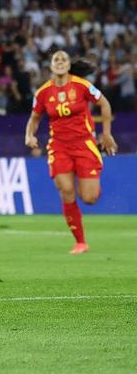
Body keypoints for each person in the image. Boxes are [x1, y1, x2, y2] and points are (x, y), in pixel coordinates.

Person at [25, 51, 118, 254]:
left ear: (68, 65)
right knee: (66, 191)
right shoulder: (42, 93)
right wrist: (29, 136)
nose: (59, 62)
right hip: (59, 147)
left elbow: (104, 104)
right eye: (55, 59)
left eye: (63, 59)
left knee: (89, 198)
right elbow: (34, 118)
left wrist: (107, 135)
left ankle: (87, 182)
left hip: (84, 144)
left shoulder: (81, 85)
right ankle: (80, 242)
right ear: (50, 66)